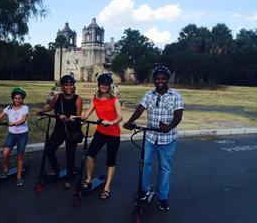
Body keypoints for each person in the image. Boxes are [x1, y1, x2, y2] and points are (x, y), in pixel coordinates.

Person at [123, 65, 184, 211]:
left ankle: (162, 197)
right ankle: (145, 189)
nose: (160, 81)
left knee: (165, 168)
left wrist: (169, 126)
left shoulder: (176, 96)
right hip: (150, 137)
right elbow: (140, 109)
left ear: (167, 80)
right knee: (144, 164)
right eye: (157, 78)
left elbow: (178, 115)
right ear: (154, 80)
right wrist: (130, 122)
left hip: (168, 139)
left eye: (163, 78)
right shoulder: (149, 95)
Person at [72, 73, 123, 200]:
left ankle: (107, 187)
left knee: (110, 161)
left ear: (109, 86)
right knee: (90, 156)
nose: (104, 87)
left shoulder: (114, 99)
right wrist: (76, 117)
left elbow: (120, 117)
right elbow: (86, 116)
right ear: (99, 85)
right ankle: (89, 178)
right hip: (100, 132)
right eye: (102, 84)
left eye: (106, 85)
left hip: (113, 134)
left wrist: (111, 122)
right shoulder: (95, 99)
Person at [37, 75, 83, 189]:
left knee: (69, 154)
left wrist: (68, 119)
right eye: (66, 85)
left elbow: (78, 117)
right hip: (59, 129)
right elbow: (50, 107)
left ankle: (69, 177)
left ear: (73, 86)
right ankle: (56, 170)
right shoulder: (58, 97)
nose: (68, 87)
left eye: (71, 85)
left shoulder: (78, 99)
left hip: (72, 129)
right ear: (63, 86)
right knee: (49, 150)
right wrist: (42, 110)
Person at [0, 87, 29, 186]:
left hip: (22, 134)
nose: (17, 100)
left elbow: (23, 119)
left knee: (19, 155)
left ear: (22, 99)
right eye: (15, 98)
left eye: (19, 98)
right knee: (5, 153)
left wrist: (14, 123)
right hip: (12, 134)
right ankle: (6, 170)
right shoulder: (9, 108)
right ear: (12, 98)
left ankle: (19, 176)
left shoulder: (25, 108)